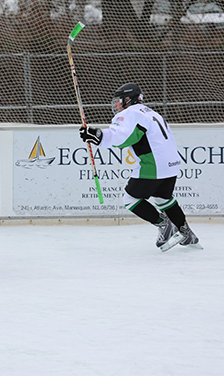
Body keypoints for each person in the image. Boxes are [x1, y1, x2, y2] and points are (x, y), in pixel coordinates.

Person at [79, 82, 201, 252]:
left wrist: (97, 136)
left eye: (119, 101)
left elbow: (123, 136)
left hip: (154, 164)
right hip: (172, 164)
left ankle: (164, 224)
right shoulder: (151, 113)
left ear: (128, 100)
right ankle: (186, 233)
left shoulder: (131, 113)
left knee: (130, 199)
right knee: (163, 198)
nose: (116, 105)